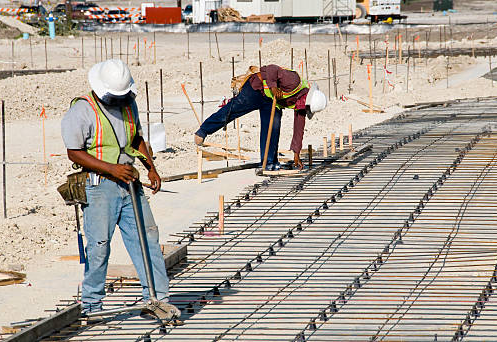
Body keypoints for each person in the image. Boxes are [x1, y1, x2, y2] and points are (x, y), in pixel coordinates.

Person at [61, 59, 169, 315]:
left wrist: (150, 166)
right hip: (100, 186)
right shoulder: (83, 109)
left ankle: (158, 298)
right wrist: (111, 169)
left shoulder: (129, 102)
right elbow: (74, 152)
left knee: (147, 238)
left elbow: (137, 138)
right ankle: (92, 305)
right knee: (99, 246)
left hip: (129, 182)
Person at [194, 64, 327, 171]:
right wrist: (274, 87)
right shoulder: (294, 81)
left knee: (273, 127)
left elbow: (299, 130)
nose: (303, 109)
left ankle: (268, 162)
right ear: (306, 99)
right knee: (232, 110)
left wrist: (296, 155)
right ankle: (204, 130)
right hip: (255, 89)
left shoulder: (302, 106)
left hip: (271, 102)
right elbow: (271, 69)